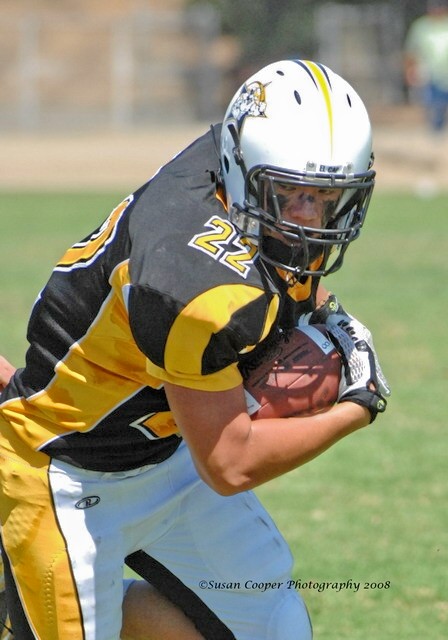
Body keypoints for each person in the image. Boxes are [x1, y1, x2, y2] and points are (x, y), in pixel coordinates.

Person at [0, 59, 390, 640]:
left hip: (168, 450)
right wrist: (357, 405)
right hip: (67, 472)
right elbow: (231, 463)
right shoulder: (188, 284)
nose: (309, 220)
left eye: (327, 196)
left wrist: (323, 315)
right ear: (242, 171)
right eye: (290, 194)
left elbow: (286, 271)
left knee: (276, 632)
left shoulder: (239, 167)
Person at [404, 0, 448, 132]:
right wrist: (409, 71)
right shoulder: (421, 26)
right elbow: (411, 51)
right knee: (432, 103)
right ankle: (435, 131)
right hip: (428, 74)